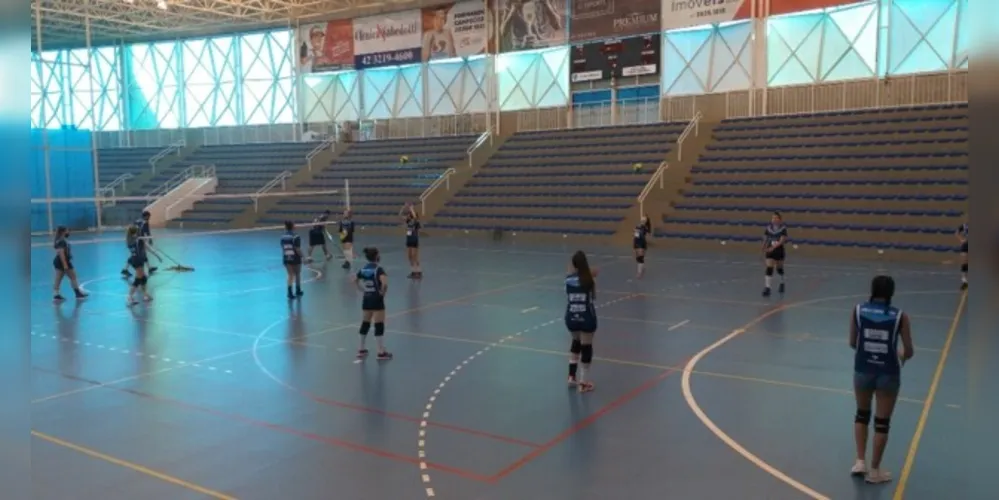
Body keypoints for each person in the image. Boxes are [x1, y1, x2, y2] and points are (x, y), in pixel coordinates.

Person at [849, 275, 913, 484]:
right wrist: (902, 355)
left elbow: (852, 342)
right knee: (882, 423)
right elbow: (909, 350)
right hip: (888, 373)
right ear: (891, 293)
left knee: (861, 415)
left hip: (863, 370)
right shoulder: (901, 316)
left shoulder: (858, 310)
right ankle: (875, 471)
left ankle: (860, 462)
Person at [565, 250, 599, 393]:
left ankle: (572, 376)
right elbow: (594, 297)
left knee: (575, 343)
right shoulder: (590, 281)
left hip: (571, 317)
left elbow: (571, 275)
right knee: (586, 347)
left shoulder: (568, 280)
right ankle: (583, 383)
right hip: (586, 317)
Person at [353, 247, 392, 360]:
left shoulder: (363, 269)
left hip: (366, 298)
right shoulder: (378, 269)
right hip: (376, 299)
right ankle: (380, 351)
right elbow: (384, 283)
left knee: (365, 323)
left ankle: (361, 349)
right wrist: (382, 293)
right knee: (379, 324)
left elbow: (355, 279)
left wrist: (361, 289)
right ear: (376, 256)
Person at [52, 226, 87, 302]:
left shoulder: (60, 240)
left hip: (59, 262)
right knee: (73, 277)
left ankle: (56, 294)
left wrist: (69, 255)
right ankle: (77, 293)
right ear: (63, 232)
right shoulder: (61, 241)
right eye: (67, 231)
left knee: (58, 278)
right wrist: (65, 264)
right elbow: (61, 253)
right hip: (62, 262)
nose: (68, 232)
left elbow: (63, 251)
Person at [122, 211, 157, 278]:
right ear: (146, 216)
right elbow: (143, 231)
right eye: (149, 216)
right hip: (138, 241)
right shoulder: (144, 222)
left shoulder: (137, 221)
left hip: (138, 240)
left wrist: (148, 239)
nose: (149, 218)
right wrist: (149, 239)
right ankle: (136, 271)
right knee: (136, 256)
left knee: (142, 254)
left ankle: (149, 268)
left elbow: (138, 230)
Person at [125, 224, 152, 306]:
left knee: (143, 278)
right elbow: (140, 238)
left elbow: (138, 237)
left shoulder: (130, 239)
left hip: (135, 259)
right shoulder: (135, 240)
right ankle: (130, 297)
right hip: (136, 260)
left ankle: (145, 295)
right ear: (134, 233)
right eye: (137, 231)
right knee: (138, 280)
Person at [762, 211, 788, 297]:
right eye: (773, 218)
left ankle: (782, 282)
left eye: (776, 218)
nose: (774, 219)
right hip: (770, 250)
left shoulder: (783, 229)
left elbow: (782, 241)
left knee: (779, 268)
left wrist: (773, 247)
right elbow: (765, 238)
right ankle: (767, 287)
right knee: (769, 267)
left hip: (778, 250)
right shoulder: (769, 228)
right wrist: (763, 247)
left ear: (780, 220)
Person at [281, 221, 304, 299]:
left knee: (290, 275)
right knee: (297, 274)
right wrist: (303, 256)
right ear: (293, 226)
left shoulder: (282, 237)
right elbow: (297, 249)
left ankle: (289, 292)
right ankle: (298, 290)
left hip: (286, 257)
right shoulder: (296, 236)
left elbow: (283, 247)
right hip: (295, 258)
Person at [401, 203, 422, 279]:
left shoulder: (416, 222)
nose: (408, 216)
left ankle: (418, 272)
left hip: (414, 240)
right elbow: (400, 216)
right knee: (409, 257)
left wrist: (412, 209)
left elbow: (415, 218)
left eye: (410, 215)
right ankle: (413, 272)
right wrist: (404, 208)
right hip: (409, 240)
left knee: (414, 257)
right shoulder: (408, 222)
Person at [956, 221, 968, 290]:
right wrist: (961, 240)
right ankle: (964, 281)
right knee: (964, 262)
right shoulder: (965, 225)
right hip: (966, 245)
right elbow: (956, 232)